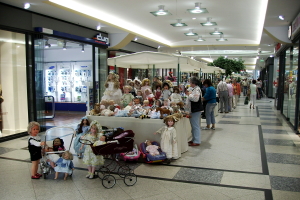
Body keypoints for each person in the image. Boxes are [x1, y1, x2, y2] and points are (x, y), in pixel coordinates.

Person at [185, 76, 203, 146]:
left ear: (193, 83)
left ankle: (197, 141)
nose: (189, 83)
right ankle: (194, 139)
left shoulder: (197, 89)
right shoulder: (193, 89)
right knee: (193, 126)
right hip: (193, 110)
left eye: (190, 81)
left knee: (195, 126)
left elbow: (195, 99)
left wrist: (189, 95)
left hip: (196, 110)